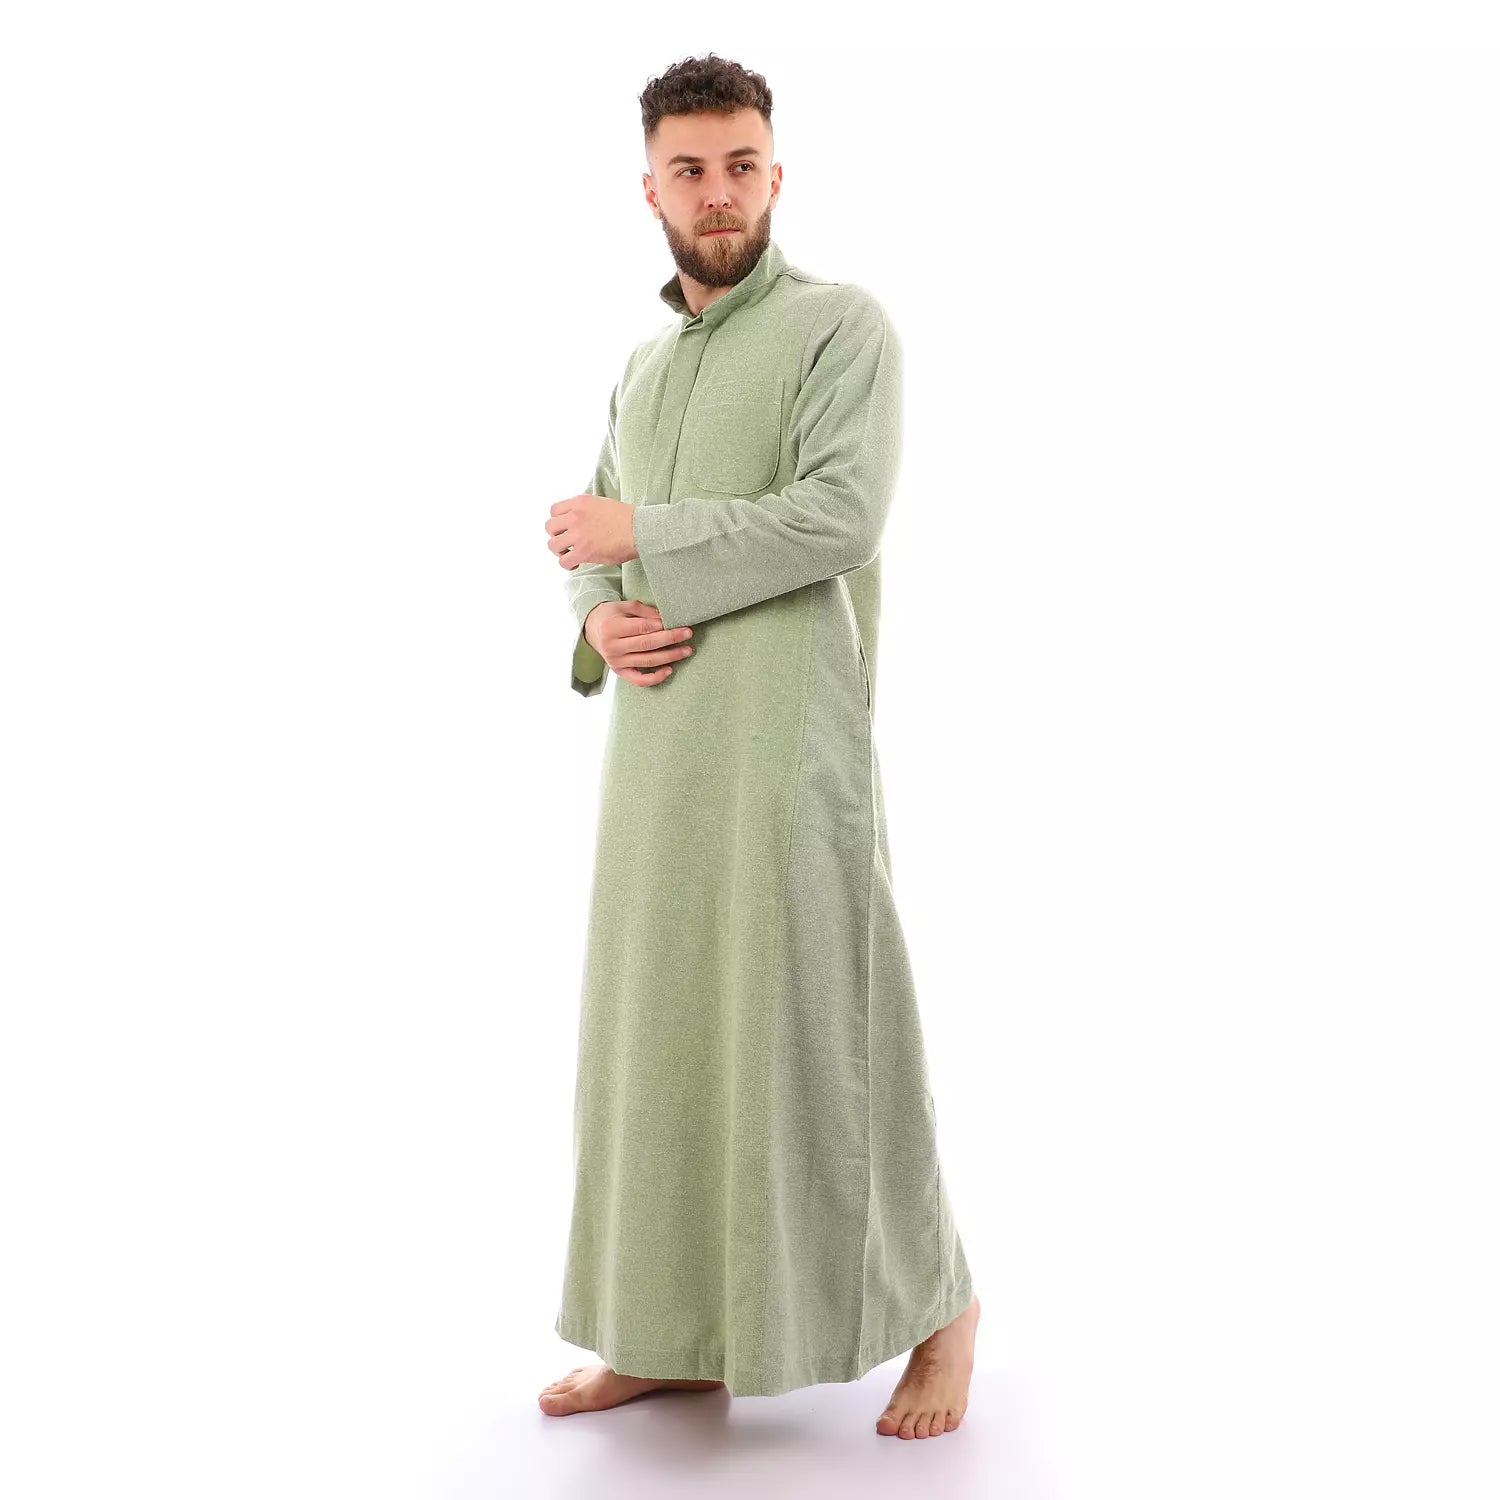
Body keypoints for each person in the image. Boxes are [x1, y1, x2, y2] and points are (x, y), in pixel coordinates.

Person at [540, 54, 979, 1440]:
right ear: (651, 189)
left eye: (740, 165)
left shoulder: (843, 329)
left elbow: (838, 518)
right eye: (690, 169)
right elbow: (588, 532)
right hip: (657, 762)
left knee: (828, 1022)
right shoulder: (641, 366)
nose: (717, 192)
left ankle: (943, 1310)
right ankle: (670, 1333)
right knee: (660, 1037)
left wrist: (642, 539)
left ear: (776, 175)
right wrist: (598, 616)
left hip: (789, 747)